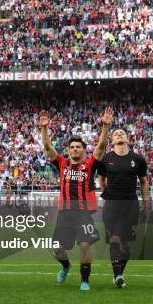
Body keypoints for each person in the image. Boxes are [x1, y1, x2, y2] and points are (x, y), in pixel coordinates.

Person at [40, 108, 112, 291]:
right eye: (72, 147)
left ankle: (84, 281)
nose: (75, 149)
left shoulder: (89, 165)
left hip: (83, 214)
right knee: (57, 249)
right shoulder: (62, 164)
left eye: (78, 147)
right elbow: (48, 148)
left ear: (83, 150)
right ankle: (65, 265)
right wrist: (44, 128)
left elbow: (102, 147)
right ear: (69, 150)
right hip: (64, 213)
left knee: (85, 245)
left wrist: (106, 126)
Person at [98, 126, 149, 288]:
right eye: (115, 133)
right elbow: (101, 179)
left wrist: (145, 204)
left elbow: (143, 182)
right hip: (112, 205)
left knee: (126, 244)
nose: (119, 134)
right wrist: (108, 194)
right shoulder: (106, 159)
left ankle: (120, 272)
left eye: (122, 133)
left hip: (131, 205)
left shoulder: (138, 159)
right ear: (112, 140)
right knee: (114, 238)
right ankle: (118, 275)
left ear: (128, 139)